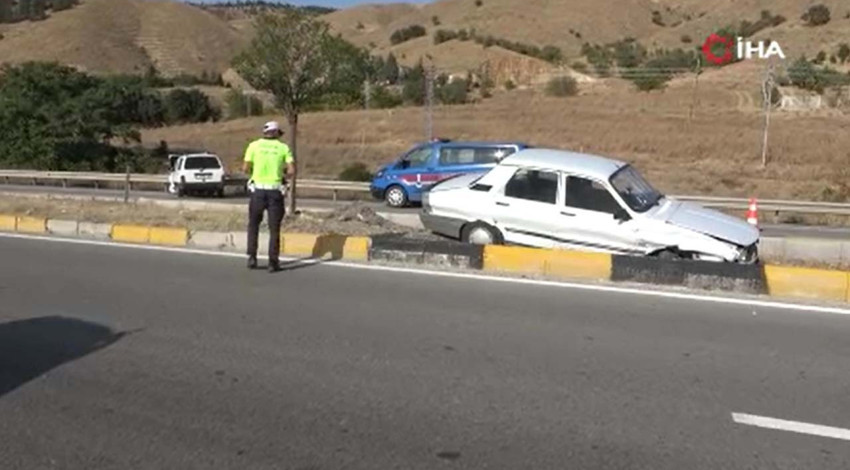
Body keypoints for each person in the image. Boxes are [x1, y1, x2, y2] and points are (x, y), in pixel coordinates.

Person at [243, 121, 295, 272]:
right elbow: (291, 170)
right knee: (274, 228)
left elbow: (245, 168)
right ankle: (273, 261)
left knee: (253, 224)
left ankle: (252, 257)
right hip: (275, 191)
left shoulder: (253, 146)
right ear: (276, 133)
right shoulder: (283, 148)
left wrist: (255, 173)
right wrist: (283, 176)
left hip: (258, 190)